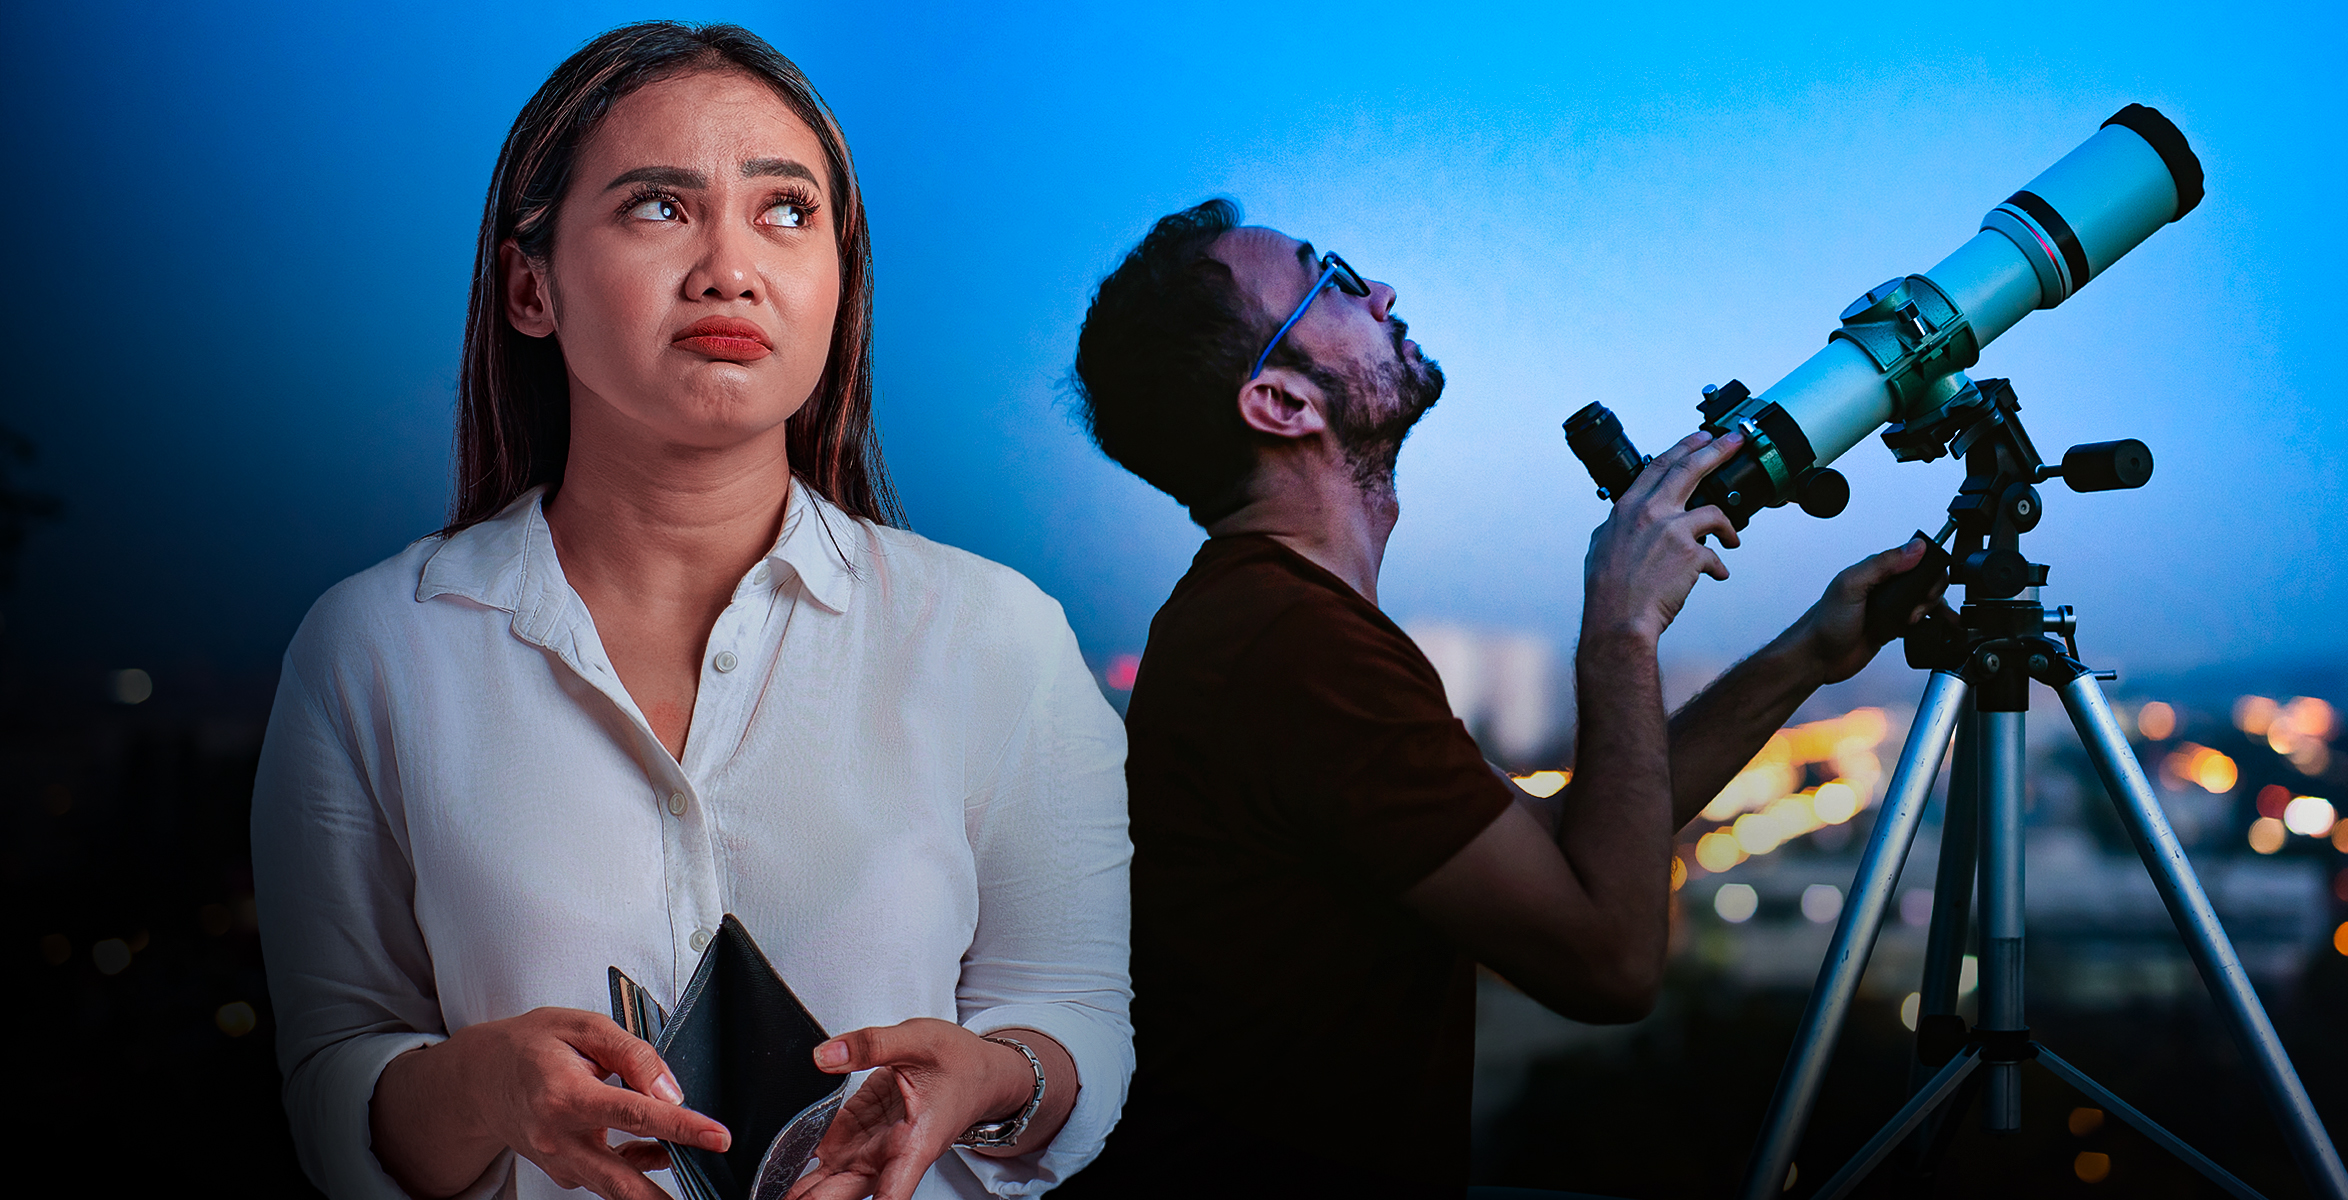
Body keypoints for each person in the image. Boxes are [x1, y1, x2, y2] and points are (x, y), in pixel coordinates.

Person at [250, 24, 1130, 1200]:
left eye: (786, 212)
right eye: (658, 208)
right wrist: (478, 1089)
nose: (730, 267)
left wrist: (993, 1077)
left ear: (838, 282)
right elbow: (333, 1081)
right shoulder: (376, 647)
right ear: (530, 286)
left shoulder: (998, 635)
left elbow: (1075, 1022)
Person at [1058, 200, 1942, 1197]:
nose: (1381, 290)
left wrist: (1807, 655)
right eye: (1334, 279)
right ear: (1281, 403)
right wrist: (1620, 624)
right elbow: (1608, 962)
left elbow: (1567, 845)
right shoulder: (1292, 649)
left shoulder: (1274, 628)